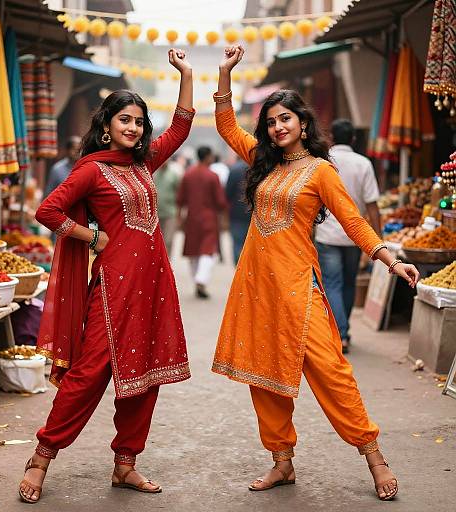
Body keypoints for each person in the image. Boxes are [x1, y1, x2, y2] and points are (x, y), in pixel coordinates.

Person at [211, 46, 419, 501]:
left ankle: (374, 455)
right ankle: (281, 463)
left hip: (297, 286)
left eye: (285, 118)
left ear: (303, 124)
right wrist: (225, 72)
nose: (277, 127)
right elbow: (226, 124)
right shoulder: (263, 163)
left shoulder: (322, 171)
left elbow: (353, 220)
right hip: (257, 287)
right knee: (262, 376)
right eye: (271, 122)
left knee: (331, 370)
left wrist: (388, 256)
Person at [18, 49, 194, 503]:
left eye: (138, 121)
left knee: (145, 376)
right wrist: (89, 236)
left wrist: (188, 75)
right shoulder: (93, 170)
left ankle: (125, 464)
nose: (133, 128)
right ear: (106, 125)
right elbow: (47, 210)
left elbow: (181, 128)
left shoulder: (141, 165)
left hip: (155, 285)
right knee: (89, 373)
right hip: (115, 288)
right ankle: (41, 456)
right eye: (125, 120)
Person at [315, 119, 381, 353]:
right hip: (355, 235)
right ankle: (343, 330)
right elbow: (372, 205)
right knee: (348, 283)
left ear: (331, 137)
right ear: (353, 139)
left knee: (332, 283)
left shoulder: (323, 161)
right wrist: (378, 240)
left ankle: (340, 333)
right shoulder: (363, 164)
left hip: (327, 235)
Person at [177, 146, 228, 299]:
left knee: (193, 251)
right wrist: (224, 216)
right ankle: (201, 279)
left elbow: (180, 199)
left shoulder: (188, 174)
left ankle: (197, 280)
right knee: (208, 250)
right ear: (207, 157)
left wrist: (180, 217)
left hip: (192, 218)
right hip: (209, 218)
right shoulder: (212, 176)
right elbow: (220, 201)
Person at [225, 156, 251, 264]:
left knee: (237, 243)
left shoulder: (234, 170)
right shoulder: (257, 167)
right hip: (253, 213)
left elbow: (227, 193)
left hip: (236, 213)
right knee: (250, 244)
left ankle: (238, 267)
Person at [153, 158, 181, 255]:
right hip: (155, 213)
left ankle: (167, 262)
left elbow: (179, 194)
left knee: (168, 240)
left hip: (170, 213)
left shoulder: (173, 175)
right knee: (156, 241)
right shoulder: (153, 173)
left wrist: (179, 213)